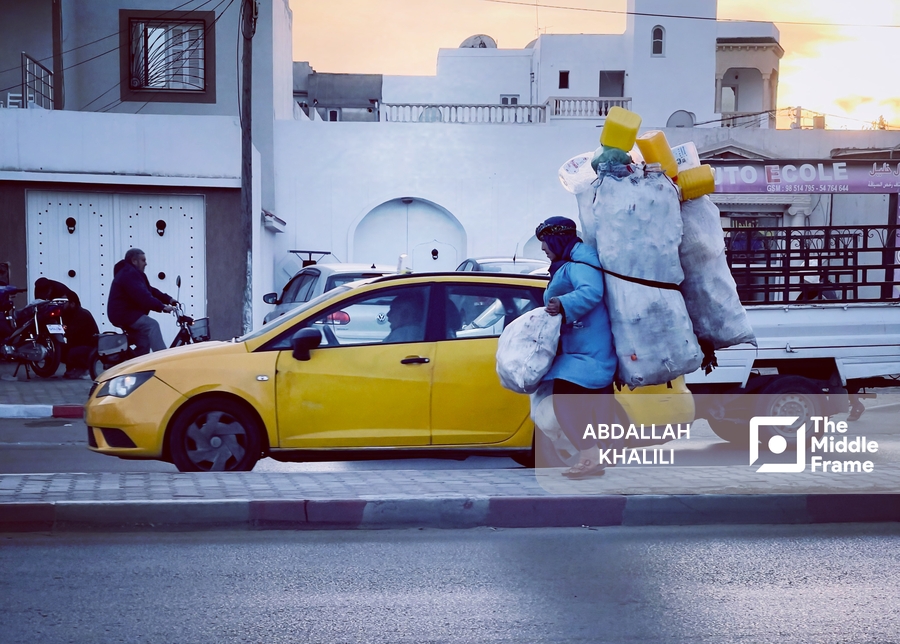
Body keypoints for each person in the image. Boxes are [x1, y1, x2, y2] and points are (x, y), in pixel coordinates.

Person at [536, 216, 620, 479]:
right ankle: (595, 456)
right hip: (581, 349)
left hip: (590, 351)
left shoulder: (580, 264)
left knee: (564, 403)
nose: (542, 248)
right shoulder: (571, 262)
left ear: (558, 239)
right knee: (583, 407)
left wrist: (562, 304)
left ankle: (590, 457)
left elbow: (591, 291)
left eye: (545, 242)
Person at [107, 248, 176, 357]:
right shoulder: (129, 274)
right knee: (152, 325)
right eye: (143, 260)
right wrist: (162, 307)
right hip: (124, 314)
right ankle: (163, 358)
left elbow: (150, 290)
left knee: (144, 340)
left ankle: (135, 365)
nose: (146, 264)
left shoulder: (131, 274)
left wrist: (168, 299)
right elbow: (143, 296)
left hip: (124, 313)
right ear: (134, 261)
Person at [33, 278, 98, 379]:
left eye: (64, 302)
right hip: (82, 344)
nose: (61, 305)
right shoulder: (71, 313)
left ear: (72, 304)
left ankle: (82, 369)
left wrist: (60, 330)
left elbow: (70, 333)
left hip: (88, 347)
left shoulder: (80, 315)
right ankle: (71, 368)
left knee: (67, 351)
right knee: (60, 349)